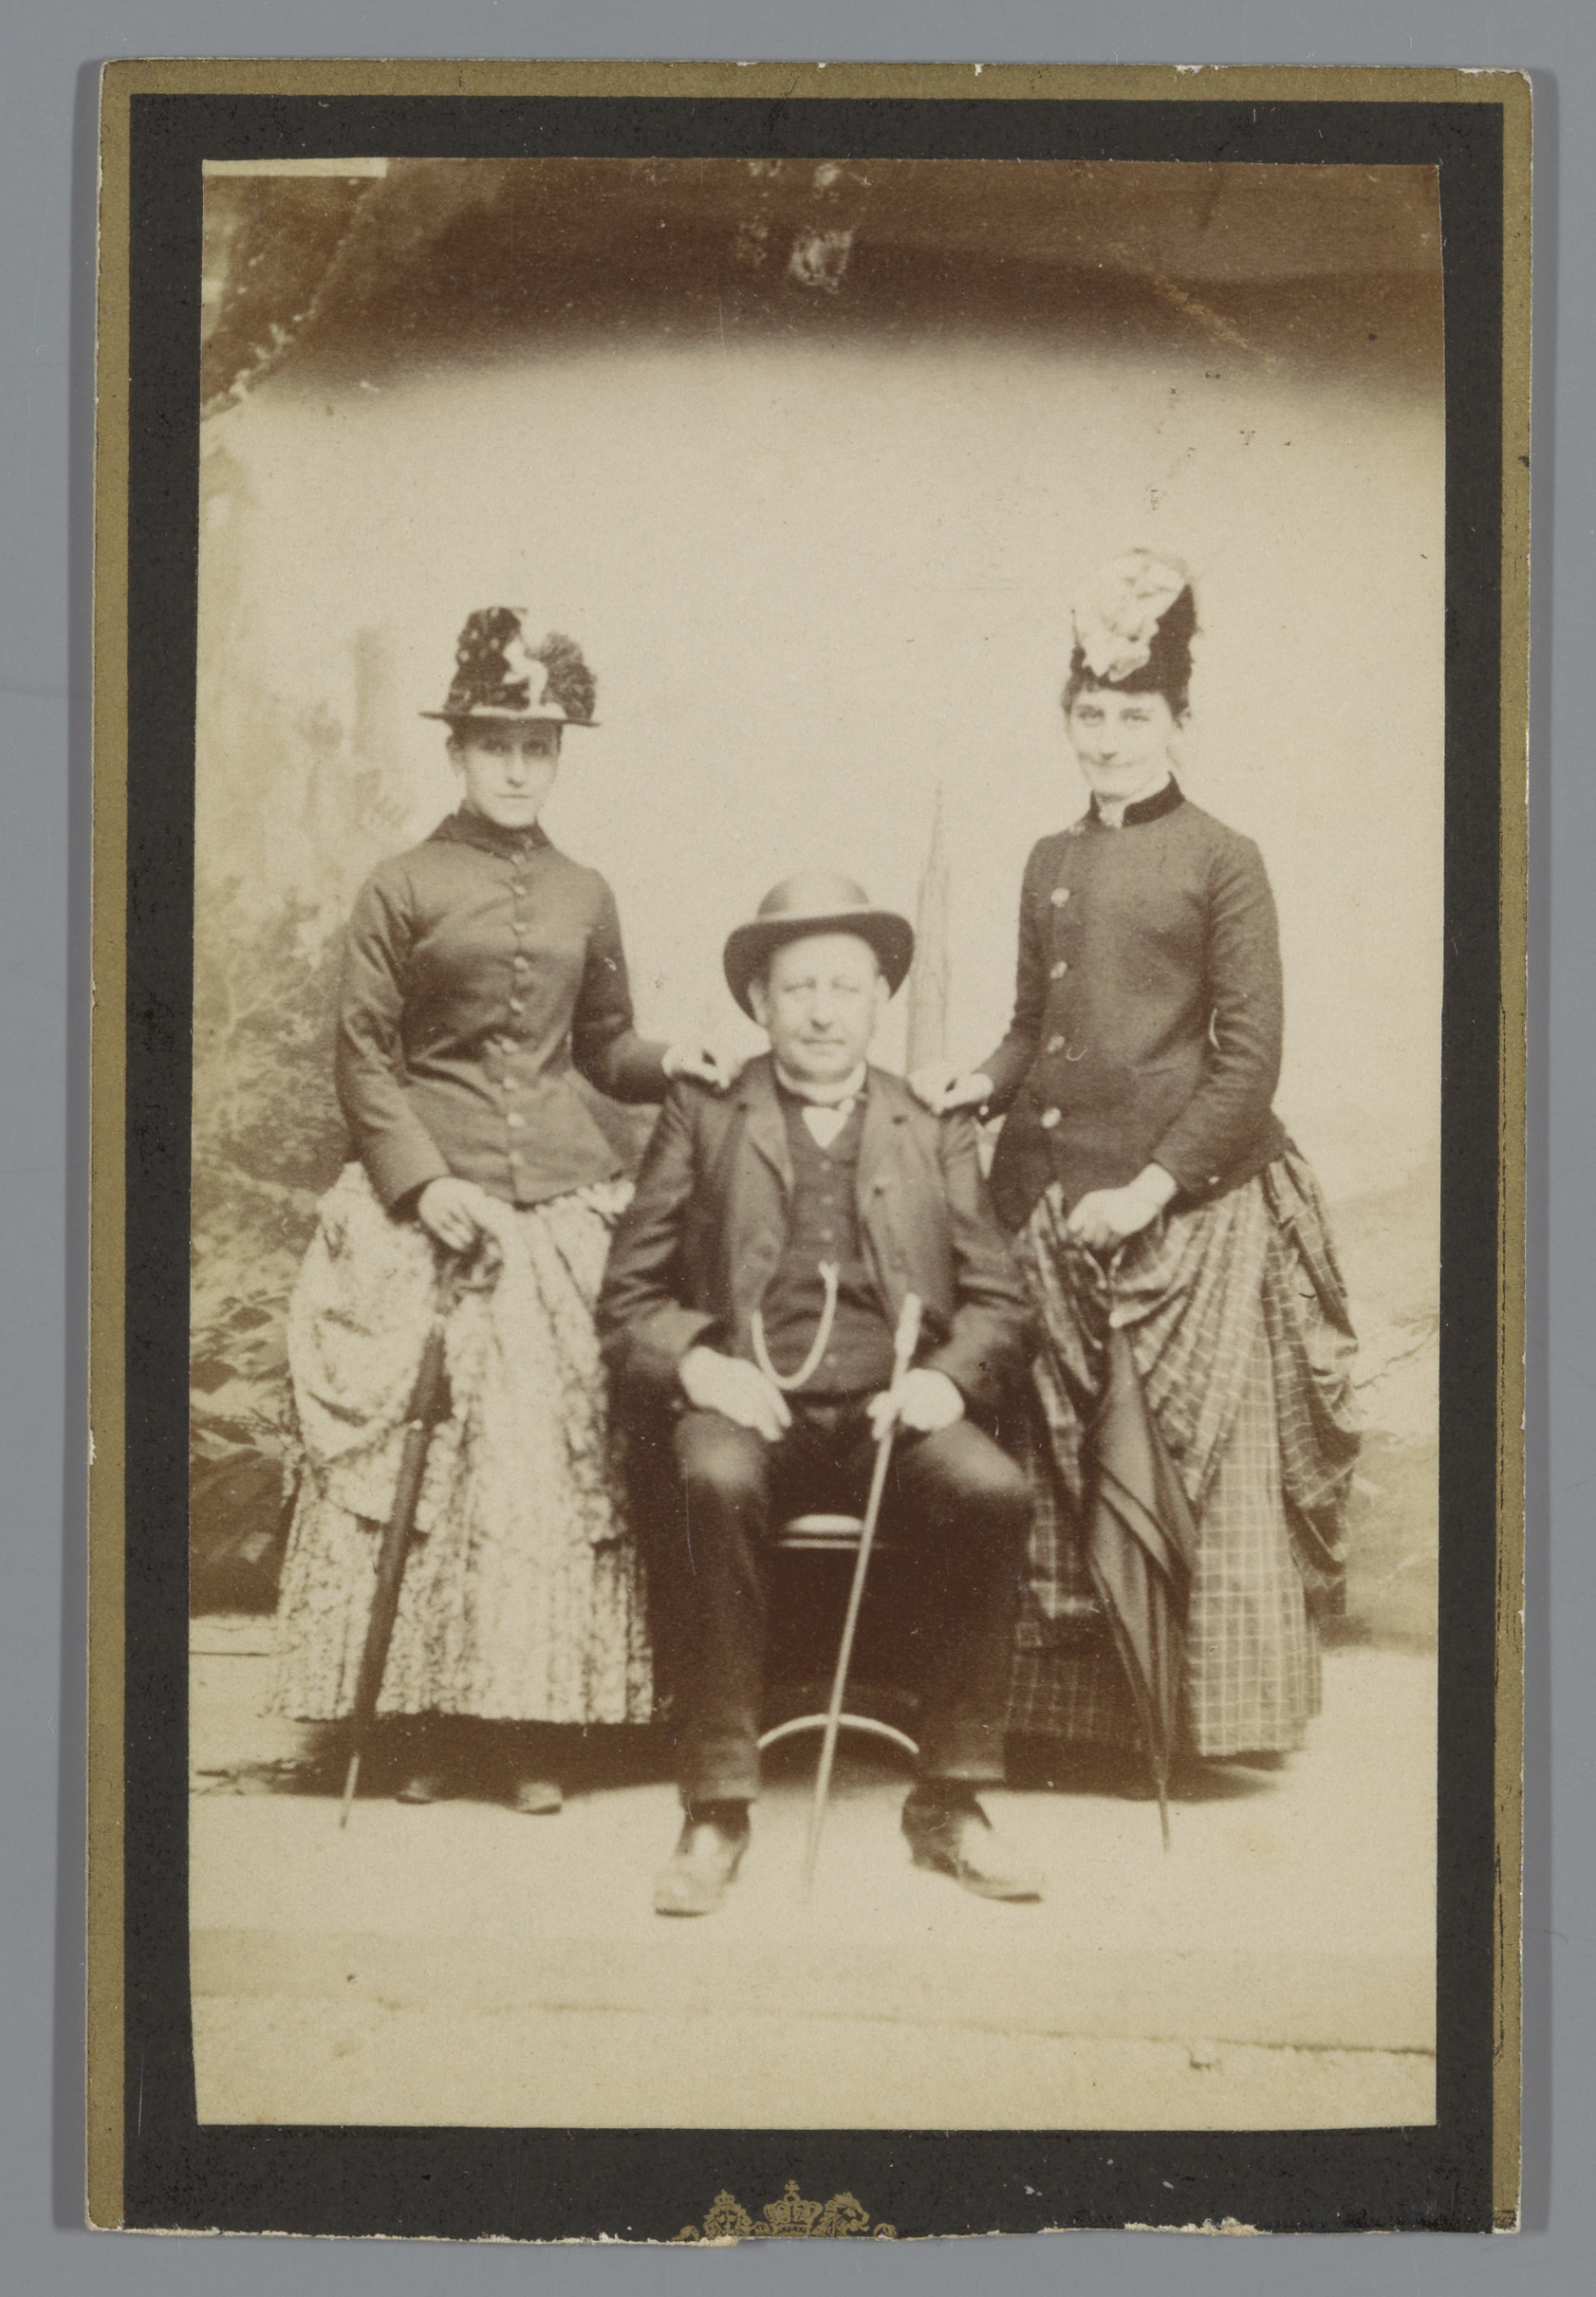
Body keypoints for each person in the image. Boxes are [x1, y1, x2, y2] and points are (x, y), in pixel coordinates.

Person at [269, 607, 733, 1812]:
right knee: (435, 1469)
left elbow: (603, 1047)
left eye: (539, 747)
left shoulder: (585, 891)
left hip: (560, 1199)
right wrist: (426, 1187)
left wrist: (673, 1059)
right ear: (458, 752)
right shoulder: (399, 886)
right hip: (432, 1200)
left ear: (557, 754)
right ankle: (424, 1728)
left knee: (548, 1464)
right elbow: (363, 1058)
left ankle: (531, 1732)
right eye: (496, 745)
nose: (519, 768)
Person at [912, 552, 1359, 1779]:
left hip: (1178, 1210)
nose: (1106, 739)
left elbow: (1248, 1060)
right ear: (1066, 718)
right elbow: (1028, 1028)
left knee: (1172, 1466)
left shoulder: (1224, 857)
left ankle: (1188, 1729)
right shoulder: (1046, 859)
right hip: (1048, 1194)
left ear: (1177, 722)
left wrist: (1152, 1188)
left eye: (1131, 716)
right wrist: (976, 1083)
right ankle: (1064, 1730)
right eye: (1089, 714)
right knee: (1046, 1464)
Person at [597, 870, 1041, 1916]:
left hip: (893, 1411)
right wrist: (701, 1365)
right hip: (751, 1405)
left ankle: (950, 1802)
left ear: (880, 997)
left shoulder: (929, 1120)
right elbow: (627, 1299)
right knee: (709, 1478)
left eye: (845, 986)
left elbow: (1001, 1301)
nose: (823, 1011)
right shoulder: (706, 1110)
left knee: (992, 1491)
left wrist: (943, 1382)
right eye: (799, 988)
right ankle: (716, 1806)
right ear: (759, 1002)